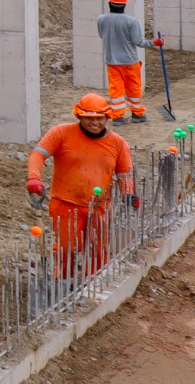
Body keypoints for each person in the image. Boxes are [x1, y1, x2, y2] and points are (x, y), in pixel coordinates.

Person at [27, 94, 134, 279]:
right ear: (79, 116)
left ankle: (93, 282)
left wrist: (129, 193)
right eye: (89, 118)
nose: (95, 123)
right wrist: (34, 177)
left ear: (107, 118)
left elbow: (125, 173)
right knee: (66, 248)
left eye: (99, 118)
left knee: (97, 249)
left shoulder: (117, 143)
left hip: (99, 206)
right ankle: (63, 280)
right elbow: (38, 154)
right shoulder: (61, 133)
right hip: (65, 203)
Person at [97, 0, 147, 121]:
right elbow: (139, 42)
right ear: (125, 4)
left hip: (112, 61)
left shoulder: (101, 19)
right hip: (130, 62)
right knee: (133, 88)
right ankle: (137, 114)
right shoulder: (131, 21)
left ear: (109, 3)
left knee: (116, 90)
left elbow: (103, 35)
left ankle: (118, 117)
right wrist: (155, 43)